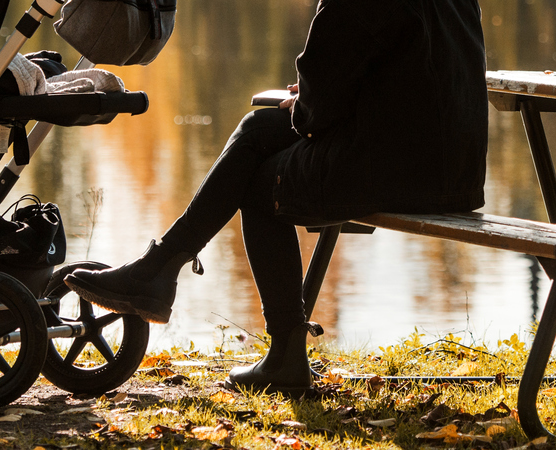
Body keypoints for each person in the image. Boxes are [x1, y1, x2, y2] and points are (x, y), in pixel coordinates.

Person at [64, 0, 488, 395]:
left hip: (396, 165)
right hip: (454, 164)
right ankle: (160, 267)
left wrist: (306, 103)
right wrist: (310, 102)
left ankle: (276, 349)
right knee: (256, 131)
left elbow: (321, 95)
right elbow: (399, 66)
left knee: (263, 181)